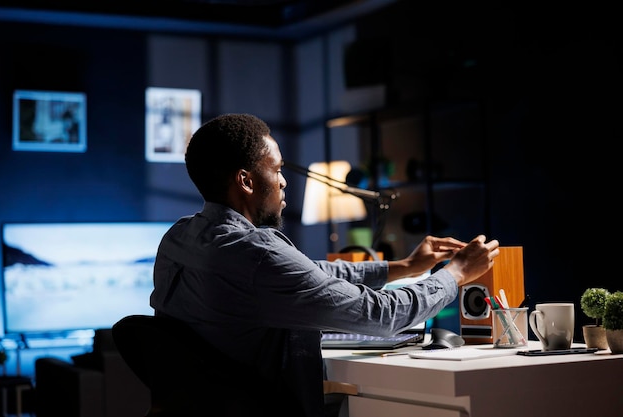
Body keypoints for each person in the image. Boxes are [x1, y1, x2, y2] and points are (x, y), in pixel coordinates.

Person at [150, 113, 500, 417]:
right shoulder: (258, 254)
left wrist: (404, 266)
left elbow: (310, 271)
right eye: (277, 169)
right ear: (246, 181)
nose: (284, 181)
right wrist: (455, 275)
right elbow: (381, 316)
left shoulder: (179, 237)